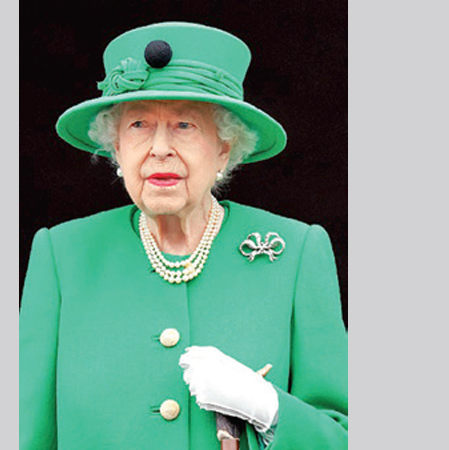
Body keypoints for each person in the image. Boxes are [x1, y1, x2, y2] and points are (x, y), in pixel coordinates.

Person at [20, 22, 347, 450]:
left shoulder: (297, 254)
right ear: (117, 148)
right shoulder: (62, 256)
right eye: (138, 124)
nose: (159, 148)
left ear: (224, 148)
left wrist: (269, 409)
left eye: (185, 125)